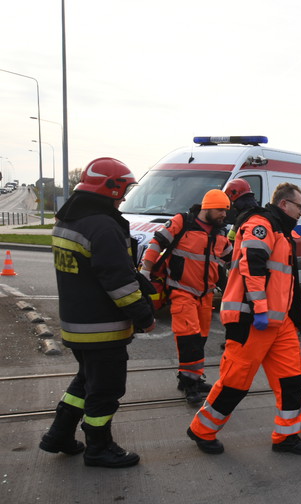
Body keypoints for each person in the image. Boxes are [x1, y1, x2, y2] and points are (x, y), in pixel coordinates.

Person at [40, 157, 156, 468]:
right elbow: (117, 283)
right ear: (111, 187)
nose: (123, 197)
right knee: (105, 390)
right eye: (123, 190)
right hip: (102, 328)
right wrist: (144, 316)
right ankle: (99, 447)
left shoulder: (69, 220)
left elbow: (94, 271)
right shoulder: (102, 225)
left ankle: (59, 434)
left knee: (85, 382)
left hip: (77, 325)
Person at [187, 182, 301, 456]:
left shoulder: (279, 228)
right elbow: (252, 267)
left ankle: (286, 437)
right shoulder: (262, 224)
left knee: (291, 381)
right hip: (252, 321)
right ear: (284, 204)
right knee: (235, 382)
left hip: (279, 323)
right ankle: (201, 430)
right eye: (299, 207)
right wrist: (259, 309)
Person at [140, 189, 233, 405]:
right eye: (220, 210)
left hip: (206, 295)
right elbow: (156, 243)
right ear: (208, 208)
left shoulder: (220, 233)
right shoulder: (183, 222)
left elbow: (232, 258)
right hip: (182, 292)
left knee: (199, 339)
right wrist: (146, 270)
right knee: (189, 338)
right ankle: (192, 385)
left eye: (226, 211)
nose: (223, 215)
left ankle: (189, 378)